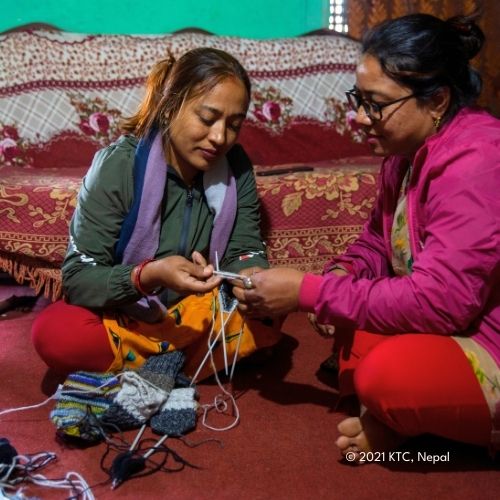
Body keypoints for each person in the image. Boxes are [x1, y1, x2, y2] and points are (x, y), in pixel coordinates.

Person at [233, 13, 500, 460]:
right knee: (355, 323)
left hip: (486, 336)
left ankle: (405, 420)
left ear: (437, 101)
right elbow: (379, 241)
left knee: (385, 377)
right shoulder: (404, 154)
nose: (359, 117)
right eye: (359, 98)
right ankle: (403, 420)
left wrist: (309, 291)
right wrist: (343, 271)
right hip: (453, 323)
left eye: (375, 103)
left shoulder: (478, 161)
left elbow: (442, 302)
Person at [32, 47, 281, 381]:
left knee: (278, 303)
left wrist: (253, 279)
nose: (220, 137)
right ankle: (187, 362)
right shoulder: (119, 166)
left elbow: (243, 248)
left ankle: (152, 365)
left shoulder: (235, 167)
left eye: (233, 125)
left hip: (197, 308)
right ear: (168, 108)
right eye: (207, 119)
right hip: (129, 314)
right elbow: (78, 279)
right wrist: (149, 275)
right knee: (56, 333)